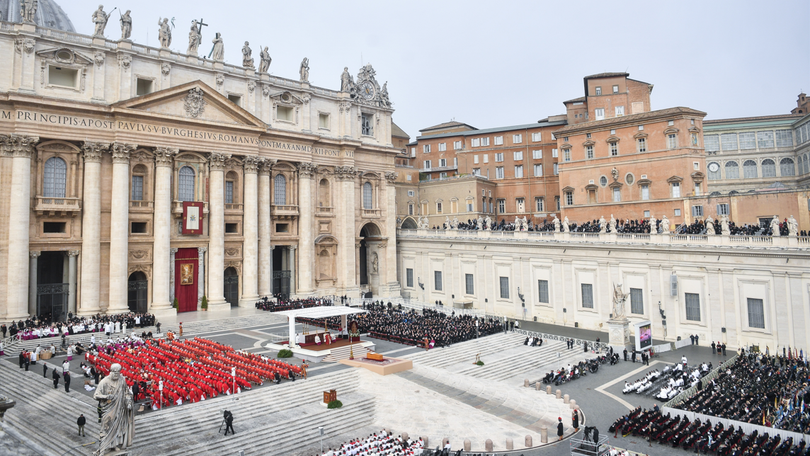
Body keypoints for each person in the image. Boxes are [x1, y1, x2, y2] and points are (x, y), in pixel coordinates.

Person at [94, 363, 135, 453]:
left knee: (118, 427)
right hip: (108, 408)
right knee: (106, 427)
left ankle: (115, 445)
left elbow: (126, 393)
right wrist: (106, 397)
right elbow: (96, 395)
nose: (116, 375)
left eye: (118, 373)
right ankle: (105, 446)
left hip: (119, 408)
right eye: (115, 373)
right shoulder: (104, 382)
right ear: (111, 372)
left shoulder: (121, 380)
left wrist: (128, 402)